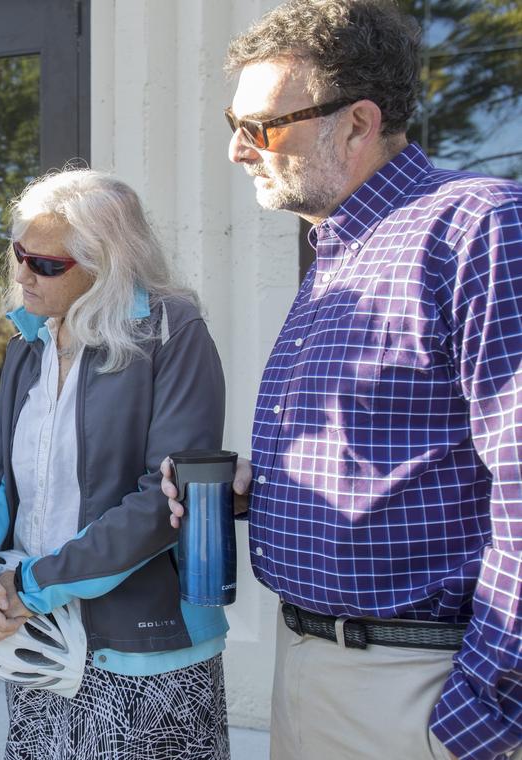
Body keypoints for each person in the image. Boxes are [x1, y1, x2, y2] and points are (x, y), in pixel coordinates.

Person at [161, 1, 522, 758]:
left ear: (357, 123)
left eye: (261, 126)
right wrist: (260, 492)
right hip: (314, 667)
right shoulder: (339, 253)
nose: (237, 150)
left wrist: (480, 714)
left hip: (415, 683)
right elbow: (398, 455)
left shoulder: (477, 226)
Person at [0, 168, 231, 759]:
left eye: (47, 265)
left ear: (109, 264)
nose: (23, 273)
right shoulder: (30, 341)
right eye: (20, 254)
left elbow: (164, 499)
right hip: (41, 642)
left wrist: (30, 585)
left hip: (144, 656)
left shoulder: (173, 329)